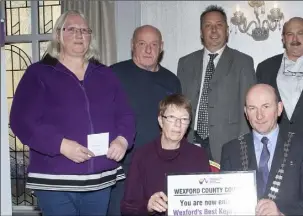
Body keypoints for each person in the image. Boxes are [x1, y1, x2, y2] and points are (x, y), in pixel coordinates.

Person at [9, 10, 135, 216]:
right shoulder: (38, 73)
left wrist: (122, 140)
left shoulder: (106, 74)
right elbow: (21, 121)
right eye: (72, 29)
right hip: (55, 181)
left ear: (90, 37)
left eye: (84, 30)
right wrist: (61, 145)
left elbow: (125, 115)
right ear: (58, 35)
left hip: (99, 180)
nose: (79, 35)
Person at [221, 84, 303, 216]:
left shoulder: (302, 146)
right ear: (246, 112)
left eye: (266, 106)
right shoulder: (231, 150)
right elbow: (225, 203)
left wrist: (282, 214)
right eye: (252, 108)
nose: (259, 116)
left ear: (279, 108)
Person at [108, 25, 181, 216]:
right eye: (142, 44)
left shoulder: (172, 80)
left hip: (159, 167)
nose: (148, 50)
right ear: (133, 45)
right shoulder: (113, 75)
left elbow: (178, 125)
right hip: (121, 170)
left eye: (154, 44)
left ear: (161, 47)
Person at [177, 5, 256, 163]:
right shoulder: (185, 63)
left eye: (219, 25)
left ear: (227, 30)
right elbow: (179, 105)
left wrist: (242, 147)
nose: (214, 30)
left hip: (228, 144)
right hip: (191, 141)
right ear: (201, 32)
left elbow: (249, 107)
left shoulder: (243, 62)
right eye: (208, 26)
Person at [121, 94, 210, 215]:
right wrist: (148, 206)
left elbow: (207, 201)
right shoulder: (142, 155)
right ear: (160, 120)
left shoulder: (198, 155)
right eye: (172, 117)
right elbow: (127, 208)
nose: (178, 125)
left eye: (184, 119)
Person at [256, 17, 303, 139]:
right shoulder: (265, 68)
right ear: (283, 38)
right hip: (277, 147)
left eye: (300, 33)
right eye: (290, 34)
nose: (295, 39)